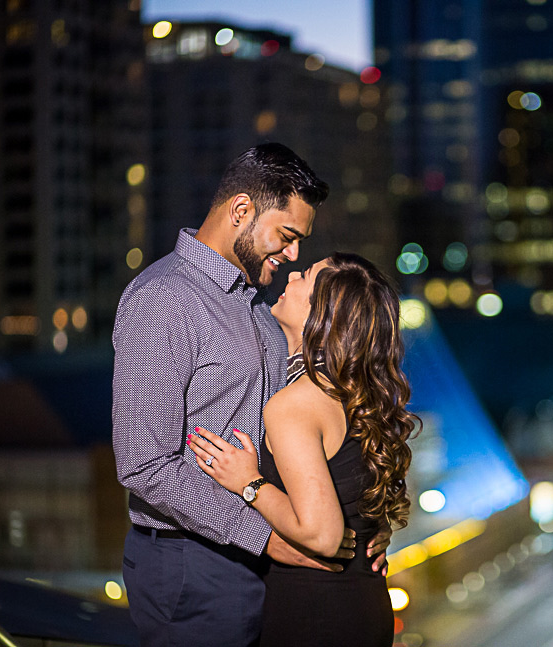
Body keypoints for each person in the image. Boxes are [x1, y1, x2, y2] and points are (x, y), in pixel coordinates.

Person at [111, 144, 390, 646]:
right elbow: (143, 462)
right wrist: (265, 536)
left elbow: (317, 427)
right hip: (191, 562)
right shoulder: (164, 300)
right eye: (287, 237)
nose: (293, 256)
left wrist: (360, 527)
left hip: (265, 561)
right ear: (242, 210)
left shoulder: (261, 308)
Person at [187, 253, 417, 647]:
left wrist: (249, 482)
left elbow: (322, 535)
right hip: (362, 605)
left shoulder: (295, 404)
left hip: (317, 614)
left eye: (305, 275)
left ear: (320, 316)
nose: (292, 273)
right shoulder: (354, 394)